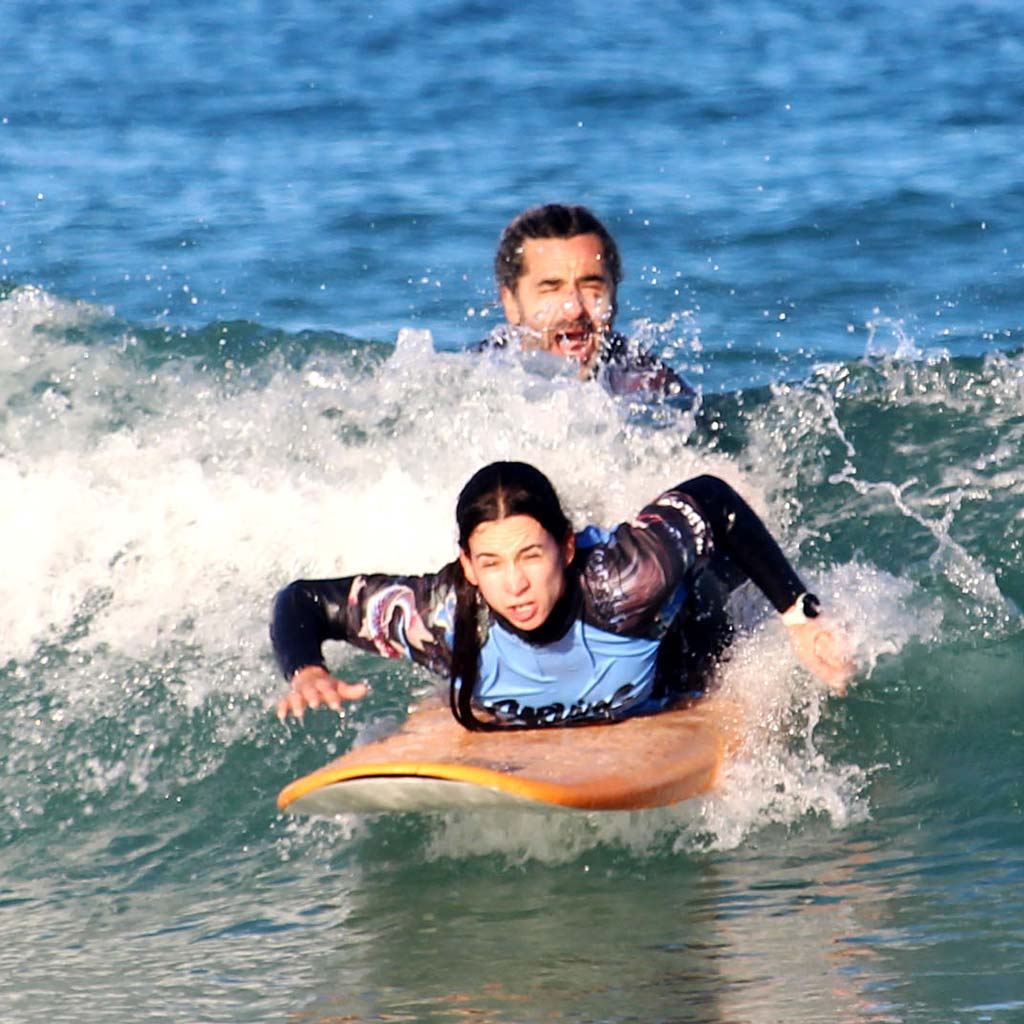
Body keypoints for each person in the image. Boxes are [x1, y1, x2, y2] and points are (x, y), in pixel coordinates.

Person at [271, 462, 852, 729]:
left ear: (566, 549)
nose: (515, 584)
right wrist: (305, 669)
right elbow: (302, 601)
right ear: (468, 566)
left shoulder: (626, 582)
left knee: (713, 584)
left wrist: (800, 616)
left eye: (531, 556)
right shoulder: (442, 618)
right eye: (492, 563)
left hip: (685, 639)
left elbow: (714, 499)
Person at [480, 203, 697, 403]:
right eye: (552, 288)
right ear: (511, 303)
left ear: (614, 294)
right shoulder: (475, 379)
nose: (574, 309)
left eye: (591, 287)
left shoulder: (648, 386)